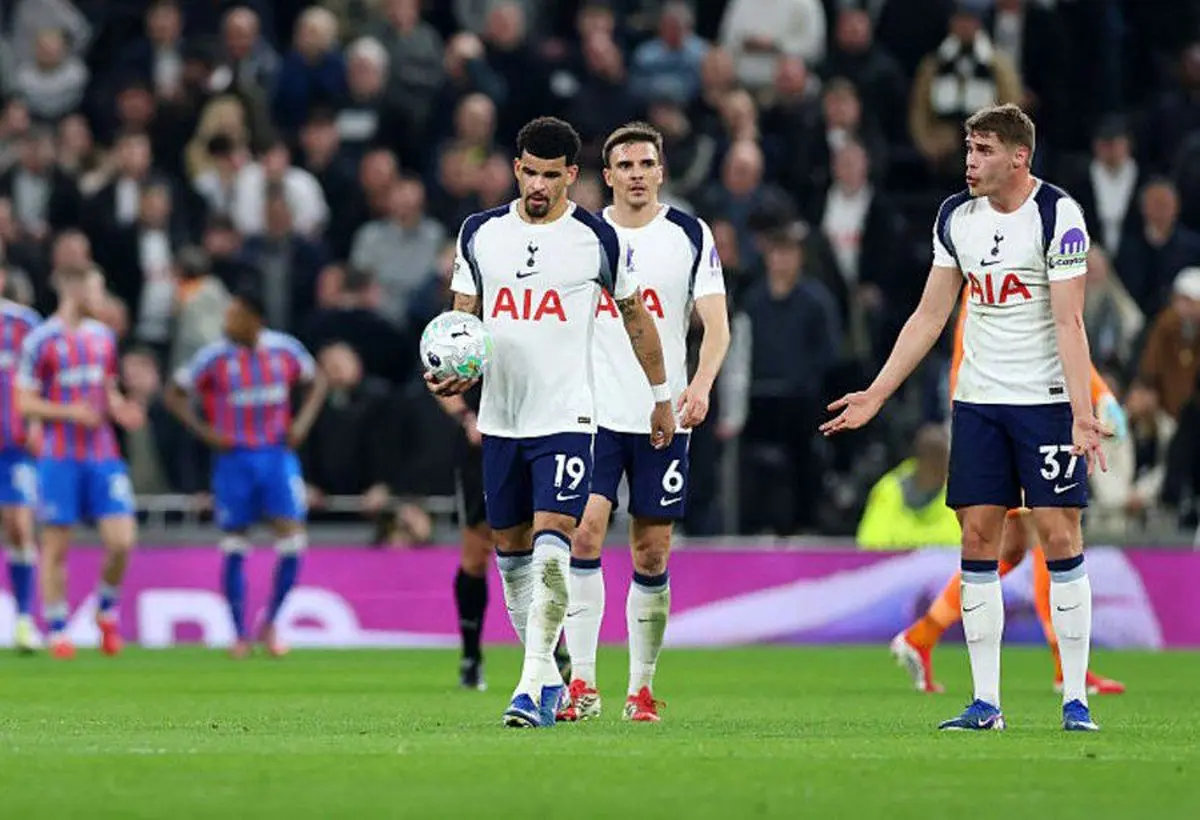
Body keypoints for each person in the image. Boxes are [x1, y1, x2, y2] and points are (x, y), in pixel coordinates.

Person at [822, 103, 1109, 732]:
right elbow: (929, 315)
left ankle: (1075, 702)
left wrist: (1082, 414)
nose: (969, 162)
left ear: (1018, 157)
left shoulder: (1059, 216)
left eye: (982, 151)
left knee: (1060, 537)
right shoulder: (956, 217)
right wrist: (876, 392)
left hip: (1046, 402)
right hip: (978, 402)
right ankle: (986, 704)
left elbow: (1070, 320)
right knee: (978, 539)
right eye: (967, 149)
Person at [427, 116, 675, 729]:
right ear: (517, 169)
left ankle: (529, 684)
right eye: (529, 173)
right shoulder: (480, 233)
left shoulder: (595, 239)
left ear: (571, 176)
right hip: (501, 419)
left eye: (551, 176)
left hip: (567, 415)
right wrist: (454, 370)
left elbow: (637, 317)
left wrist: (662, 395)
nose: (538, 185)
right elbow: (464, 321)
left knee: (552, 541)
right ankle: (545, 670)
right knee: (510, 556)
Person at [557, 122, 730, 724]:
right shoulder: (582, 234)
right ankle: (581, 683)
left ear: (660, 171)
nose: (635, 174)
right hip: (593, 412)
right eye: (624, 165)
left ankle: (641, 688)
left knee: (651, 552)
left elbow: (717, 323)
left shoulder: (688, 233)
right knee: (584, 534)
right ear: (607, 176)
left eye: (645, 164)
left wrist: (700, 386)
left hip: (663, 411)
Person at [890, 288, 1127, 695]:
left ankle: (921, 637)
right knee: (1046, 531)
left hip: (999, 407)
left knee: (1015, 545)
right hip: (1003, 412)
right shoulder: (1006, 259)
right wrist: (1099, 392)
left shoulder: (1008, 256)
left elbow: (1056, 332)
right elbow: (1052, 331)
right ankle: (1064, 669)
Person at [164, 281, 327, 658]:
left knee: (293, 539)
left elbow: (317, 379)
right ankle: (238, 635)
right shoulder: (213, 358)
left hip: (276, 456)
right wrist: (206, 432)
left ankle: (271, 624)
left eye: (235, 314)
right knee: (235, 541)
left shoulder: (285, 350)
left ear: (254, 319)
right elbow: (173, 394)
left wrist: (301, 423)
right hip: (234, 460)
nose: (228, 321)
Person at [17, 267, 144, 660]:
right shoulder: (41, 341)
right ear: (73, 290)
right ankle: (56, 628)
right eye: (95, 290)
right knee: (56, 545)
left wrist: (121, 407)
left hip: (103, 455)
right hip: (59, 457)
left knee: (122, 540)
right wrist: (70, 413)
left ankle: (105, 607)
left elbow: (106, 388)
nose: (101, 298)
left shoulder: (103, 337)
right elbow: (23, 402)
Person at [435, 385, 572, 691]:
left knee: (546, 537)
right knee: (477, 550)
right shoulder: (472, 335)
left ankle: (553, 651)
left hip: (542, 432)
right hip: (482, 445)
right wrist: (465, 416)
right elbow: (437, 369)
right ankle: (471, 655)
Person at [0, 262, 42, 652]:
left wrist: (38, 422)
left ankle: (26, 619)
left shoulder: (24, 324)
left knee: (17, 526)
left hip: (12, 446)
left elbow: (47, 374)